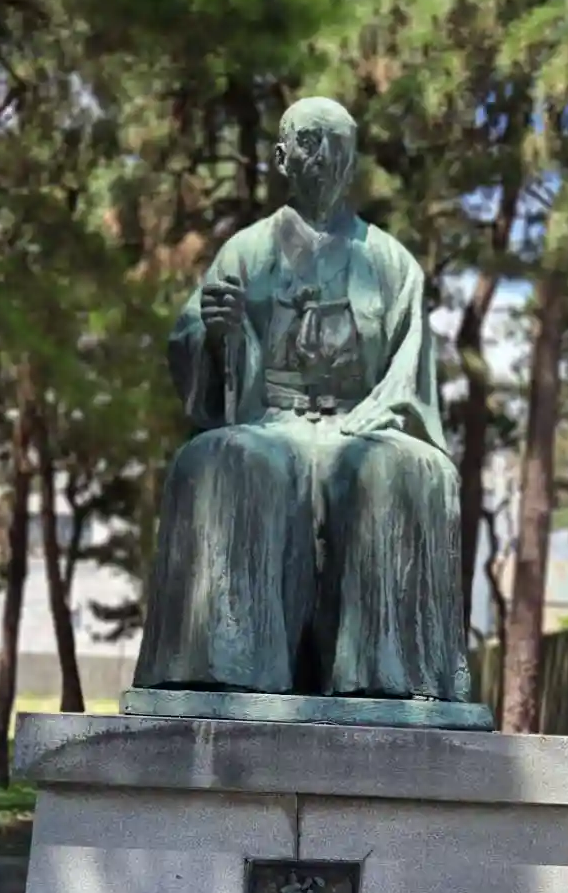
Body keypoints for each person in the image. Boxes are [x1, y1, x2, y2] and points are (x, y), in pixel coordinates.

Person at [133, 96, 472, 701]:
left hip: (363, 422)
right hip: (271, 420)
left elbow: (410, 372)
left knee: (408, 472)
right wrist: (219, 333)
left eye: (336, 145)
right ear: (281, 157)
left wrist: (380, 414)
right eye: (308, 143)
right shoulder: (245, 250)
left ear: (353, 160)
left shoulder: (390, 261)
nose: (322, 158)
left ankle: (388, 676)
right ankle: (226, 666)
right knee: (219, 461)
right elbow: (194, 342)